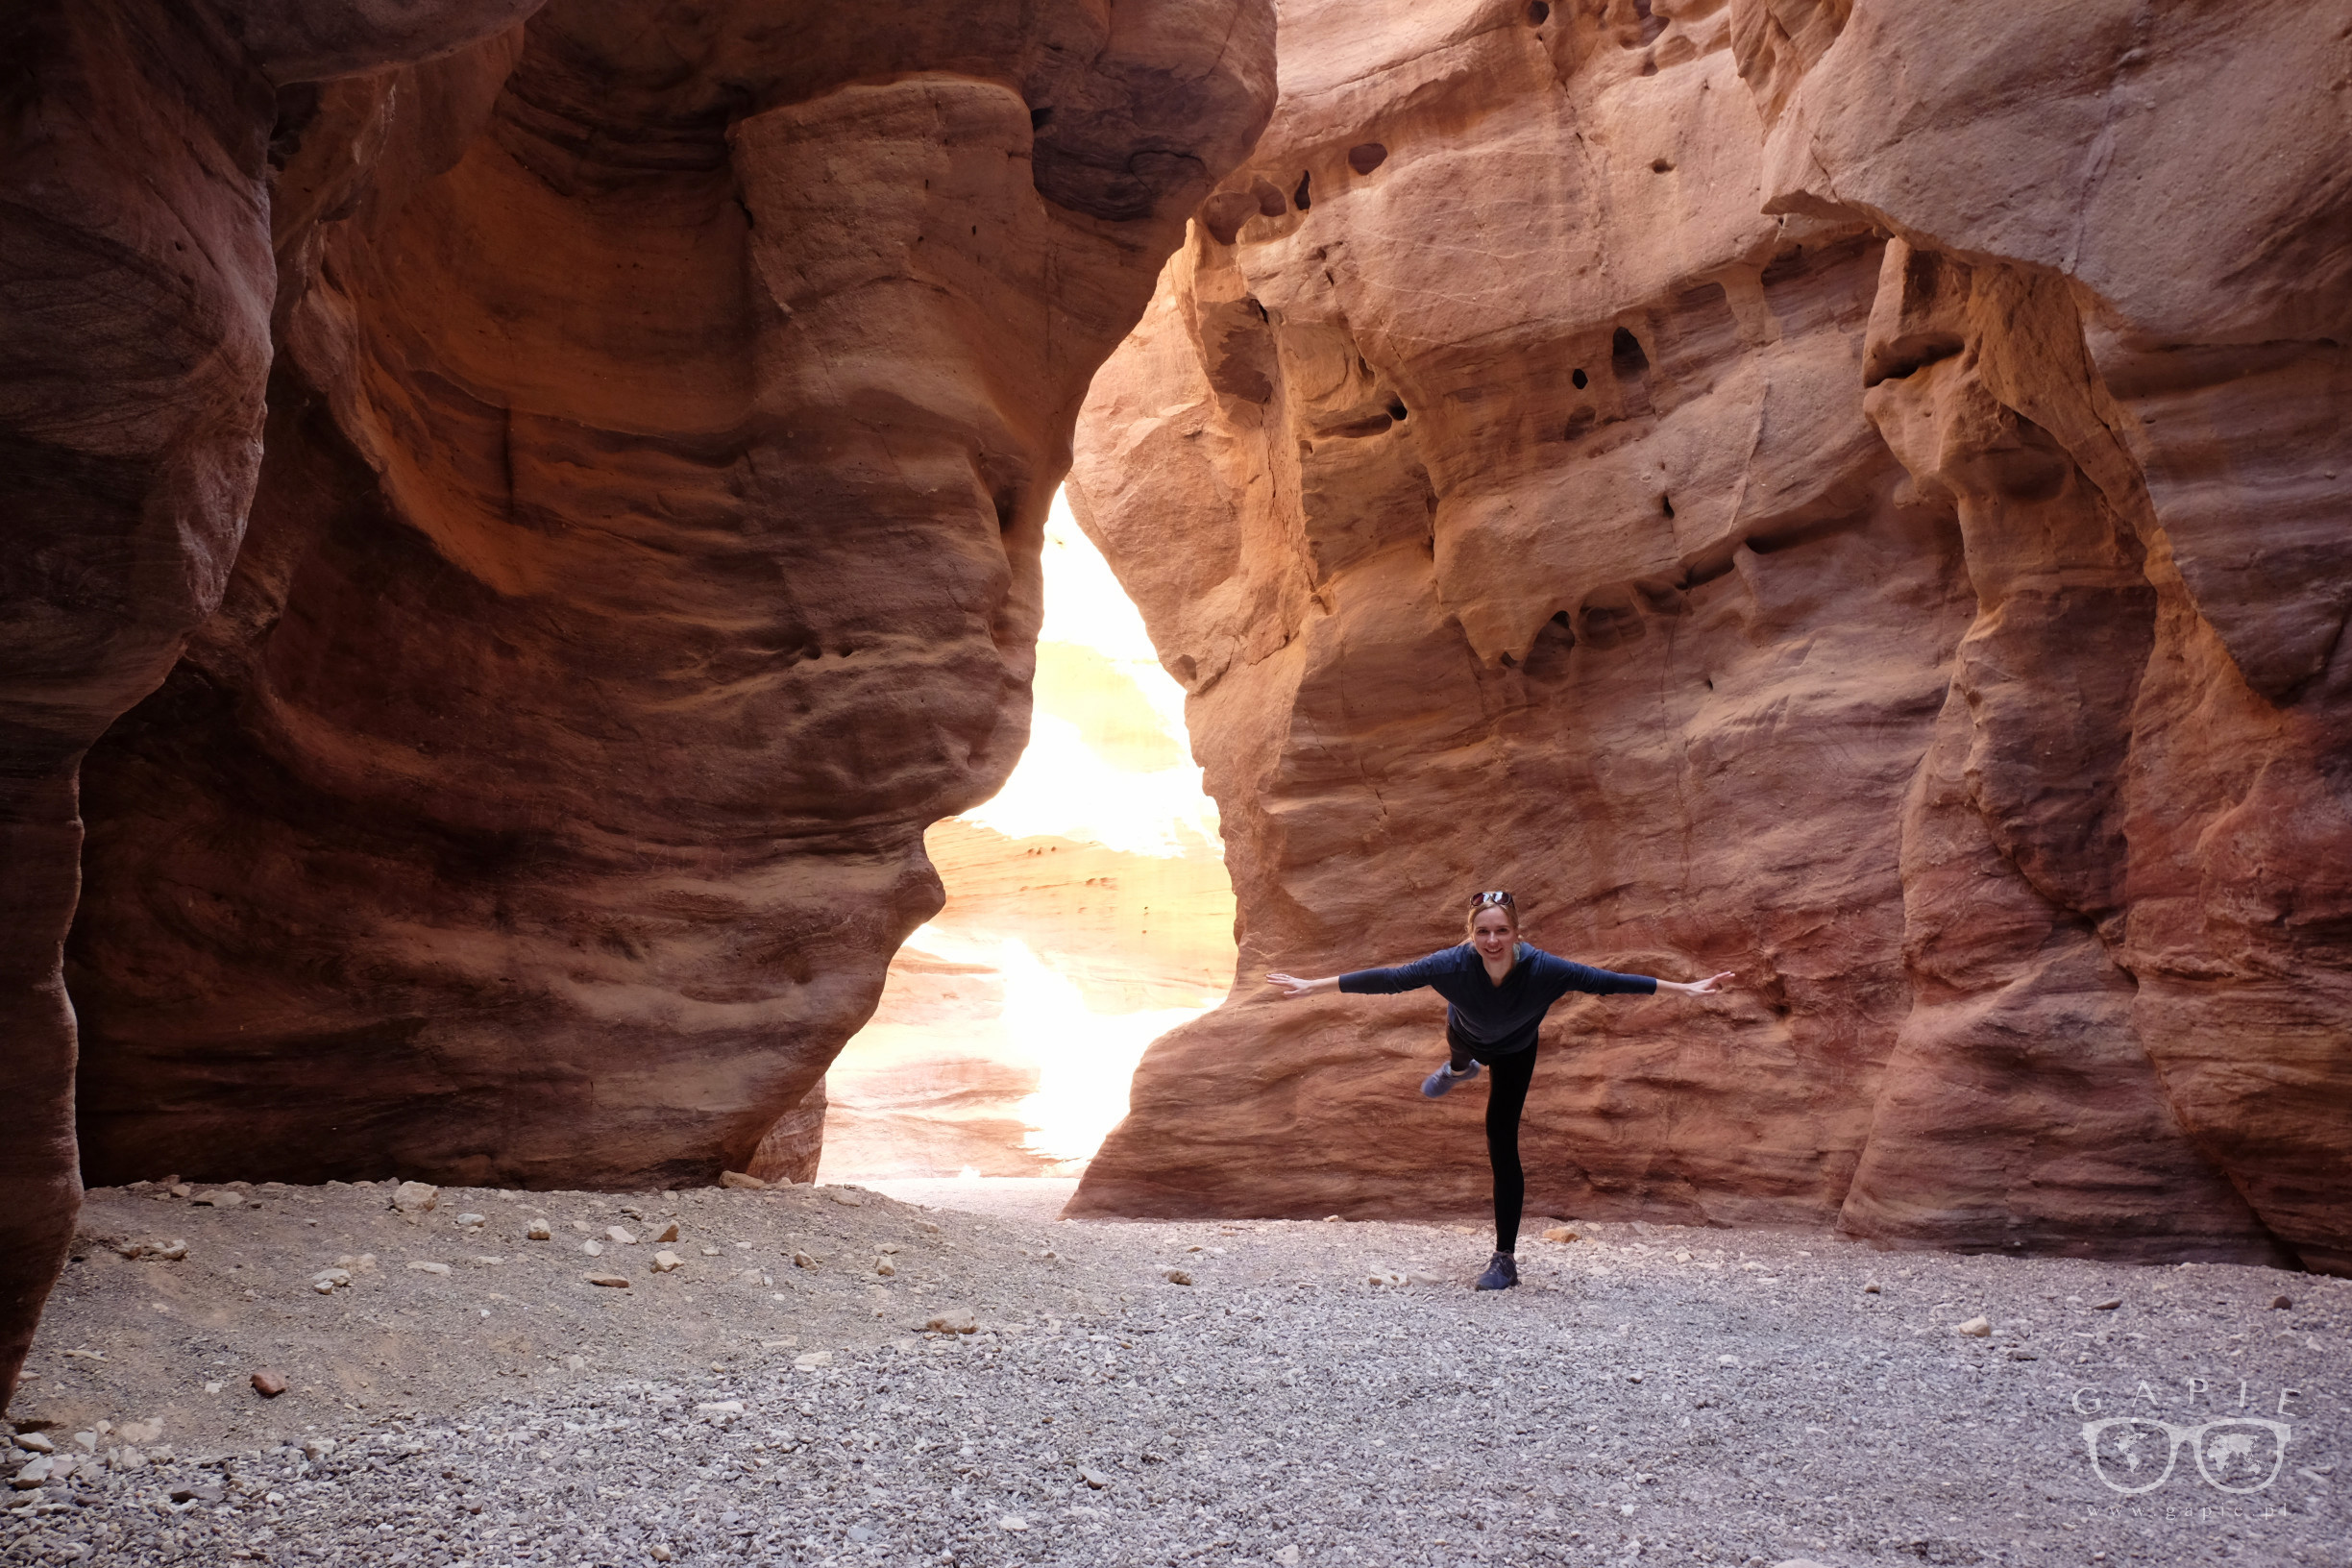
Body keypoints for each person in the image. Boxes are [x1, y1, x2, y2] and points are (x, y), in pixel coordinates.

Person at [1265, 890, 1733, 1291]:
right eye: (1483, 932)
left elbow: (1608, 982)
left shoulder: (1545, 969)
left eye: (1501, 931)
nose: (1492, 941)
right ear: (1471, 934)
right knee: (1461, 1053)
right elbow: (1391, 979)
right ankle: (1459, 1069)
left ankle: (1504, 1260)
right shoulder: (1451, 964)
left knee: (1501, 1141)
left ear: (1517, 933)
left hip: (1515, 1050)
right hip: (1466, 1036)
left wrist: (1686, 990)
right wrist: (1314, 985)